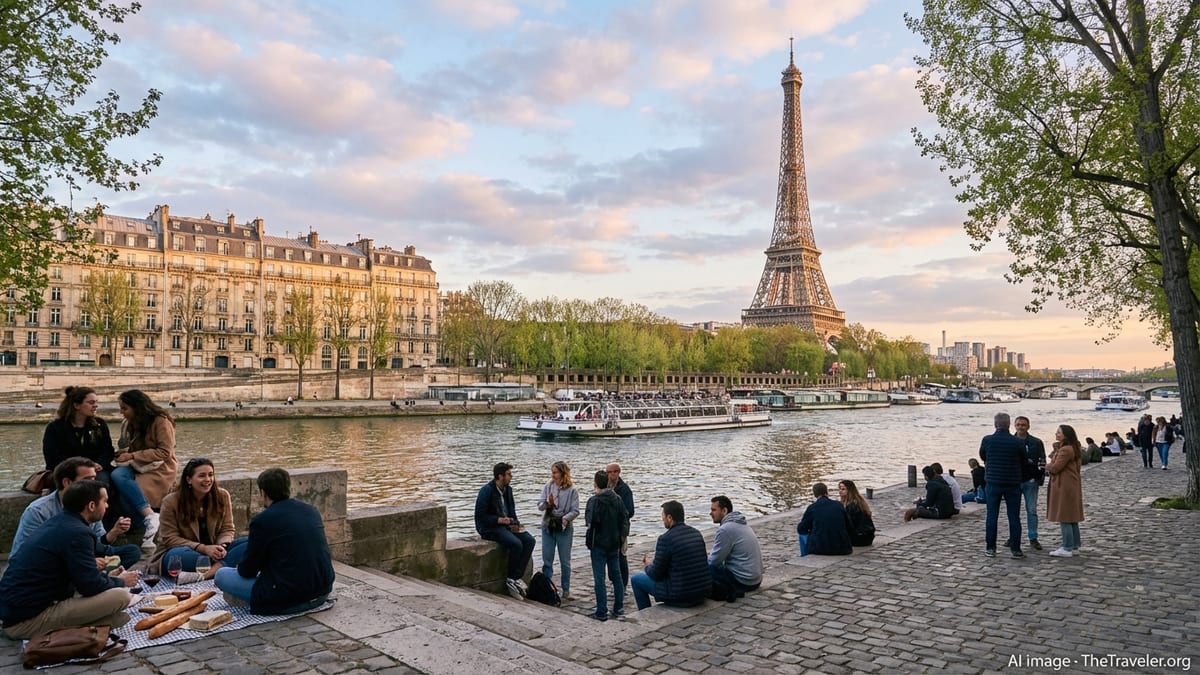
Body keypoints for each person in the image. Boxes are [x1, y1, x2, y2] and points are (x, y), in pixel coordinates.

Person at [0, 480, 139, 639]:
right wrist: (121, 581)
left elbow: (77, 574)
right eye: (105, 501)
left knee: (119, 618)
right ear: (91, 506)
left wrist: (107, 578)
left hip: (16, 611)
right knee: (120, 597)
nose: (107, 506)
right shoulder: (77, 533)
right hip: (27, 620)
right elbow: (89, 586)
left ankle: (93, 623)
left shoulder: (60, 523)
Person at [214, 468, 335, 614]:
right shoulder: (311, 511)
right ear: (288, 488)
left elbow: (247, 570)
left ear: (263, 493)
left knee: (222, 574)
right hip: (322, 590)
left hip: (288, 597)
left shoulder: (262, 521)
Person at [11, 457, 140, 570]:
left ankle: (96, 576)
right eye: (87, 480)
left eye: (94, 479)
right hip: (53, 563)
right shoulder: (38, 511)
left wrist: (113, 532)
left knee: (131, 551)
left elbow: (98, 545)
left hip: (83, 555)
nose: (94, 485)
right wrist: (82, 562)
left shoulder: (92, 505)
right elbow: (24, 554)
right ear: (67, 482)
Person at [149, 457, 249, 582]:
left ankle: (206, 574)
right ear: (189, 479)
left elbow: (227, 529)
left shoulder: (222, 496)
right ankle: (224, 565)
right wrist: (204, 549)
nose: (207, 480)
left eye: (210, 475)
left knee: (252, 543)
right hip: (185, 552)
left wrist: (221, 546)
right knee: (177, 557)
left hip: (214, 551)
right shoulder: (171, 501)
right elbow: (170, 538)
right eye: (202, 476)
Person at [111, 389, 177, 550]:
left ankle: (148, 524)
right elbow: (132, 448)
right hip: (139, 465)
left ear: (137, 407)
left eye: (124, 408)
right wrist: (125, 453)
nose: (121, 412)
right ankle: (150, 521)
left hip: (159, 468)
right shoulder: (131, 423)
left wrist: (132, 456)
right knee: (118, 477)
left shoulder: (161, 421)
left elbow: (165, 452)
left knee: (126, 489)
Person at [630, 501, 709, 610]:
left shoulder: (665, 539)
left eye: (663, 516)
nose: (662, 520)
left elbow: (655, 574)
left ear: (669, 518)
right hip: (701, 592)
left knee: (636, 579)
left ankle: (645, 613)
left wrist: (648, 565)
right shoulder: (696, 533)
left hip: (681, 595)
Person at [475, 462, 536, 600]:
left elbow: (512, 511)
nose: (511, 477)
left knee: (529, 540)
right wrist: (499, 520)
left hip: (506, 526)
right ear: (500, 476)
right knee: (516, 544)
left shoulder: (508, 490)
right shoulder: (486, 491)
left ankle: (516, 576)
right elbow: (480, 516)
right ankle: (510, 578)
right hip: (490, 528)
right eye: (509, 474)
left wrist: (515, 523)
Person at [42, 387, 116, 483]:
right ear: (77, 405)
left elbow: (108, 450)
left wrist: (98, 464)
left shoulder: (99, 424)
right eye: (91, 403)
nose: (96, 406)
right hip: (67, 472)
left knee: (101, 482)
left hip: (96, 470)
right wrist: (81, 467)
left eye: (96, 402)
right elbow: (52, 456)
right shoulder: (55, 427)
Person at [979, 412, 1026, 558]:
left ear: (995, 424)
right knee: (1014, 517)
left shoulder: (987, 440)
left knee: (992, 516)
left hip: (993, 482)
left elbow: (983, 456)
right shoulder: (1017, 442)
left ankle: (991, 548)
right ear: (1009, 424)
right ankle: (1016, 549)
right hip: (1012, 483)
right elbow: (1023, 460)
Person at [584, 470, 628, 621]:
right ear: (608, 483)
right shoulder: (617, 499)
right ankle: (619, 608)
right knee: (616, 576)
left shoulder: (594, 501)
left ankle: (602, 611)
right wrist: (621, 538)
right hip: (614, 543)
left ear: (595, 483)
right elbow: (624, 518)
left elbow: (590, 522)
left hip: (598, 544)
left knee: (599, 578)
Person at [536, 461, 579, 600]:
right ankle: (547, 588)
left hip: (564, 528)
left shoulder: (572, 490)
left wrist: (565, 519)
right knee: (547, 559)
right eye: (552, 472)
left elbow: (576, 510)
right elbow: (540, 506)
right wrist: (548, 503)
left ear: (562, 473)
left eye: (555, 472)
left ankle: (565, 589)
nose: (552, 475)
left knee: (565, 561)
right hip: (548, 526)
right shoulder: (548, 486)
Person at [707, 495, 763, 599]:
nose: (710, 513)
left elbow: (714, 561)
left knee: (702, 567)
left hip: (743, 582)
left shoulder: (726, 529)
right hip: (756, 580)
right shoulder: (742, 524)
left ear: (724, 510)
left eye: (713, 510)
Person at [1045, 425, 1085, 557]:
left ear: (1066, 435)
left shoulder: (1066, 450)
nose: (1056, 434)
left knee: (1064, 517)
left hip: (1064, 485)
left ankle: (1067, 547)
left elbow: (1055, 467)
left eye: (1059, 432)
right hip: (1071, 484)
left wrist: (1044, 466)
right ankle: (1074, 545)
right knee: (1072, 517)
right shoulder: (1073, 448)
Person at [1014, 415, 1047, 551]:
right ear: (1014, 426)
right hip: (1014, 481)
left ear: (1028, 426)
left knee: (1032, 510)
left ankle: (1033, 537)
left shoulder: (1036, 442)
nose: (1021, 427)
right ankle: (1013, 537)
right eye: (1018, 425)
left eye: (1023, 425)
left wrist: (1038, 477)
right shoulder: (1011, 441)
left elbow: (1042, 460)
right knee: (1013, 511)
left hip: (1030, 481)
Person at [796, 483, 853, 556]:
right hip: (842, 547)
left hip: (819, 548)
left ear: (815, 494)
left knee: (802, 535)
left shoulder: (812, 508)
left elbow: (801, 529)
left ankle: (805, 555)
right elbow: (849, 525)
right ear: (826, 492)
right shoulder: (838, 505)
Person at [605, 462, 634, 592]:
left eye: (614, 472)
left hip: (621, 529)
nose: (611, 474)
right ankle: (613, 581)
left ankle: (623, 583)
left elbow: (630, 511)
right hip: (607, 529)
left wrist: (617, 514)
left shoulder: (625, 489)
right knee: (610, 556)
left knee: (621, 556)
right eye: (609, 472)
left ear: (618, 472)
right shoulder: (604, 487)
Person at [838, 480, 875, 547]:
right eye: (839, 489)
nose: (840, 491)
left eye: (843, 489)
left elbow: (848, 524)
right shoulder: (859, 502)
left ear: (849, 491)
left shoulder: (851, 506)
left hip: (858, 538)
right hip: (868, 537)